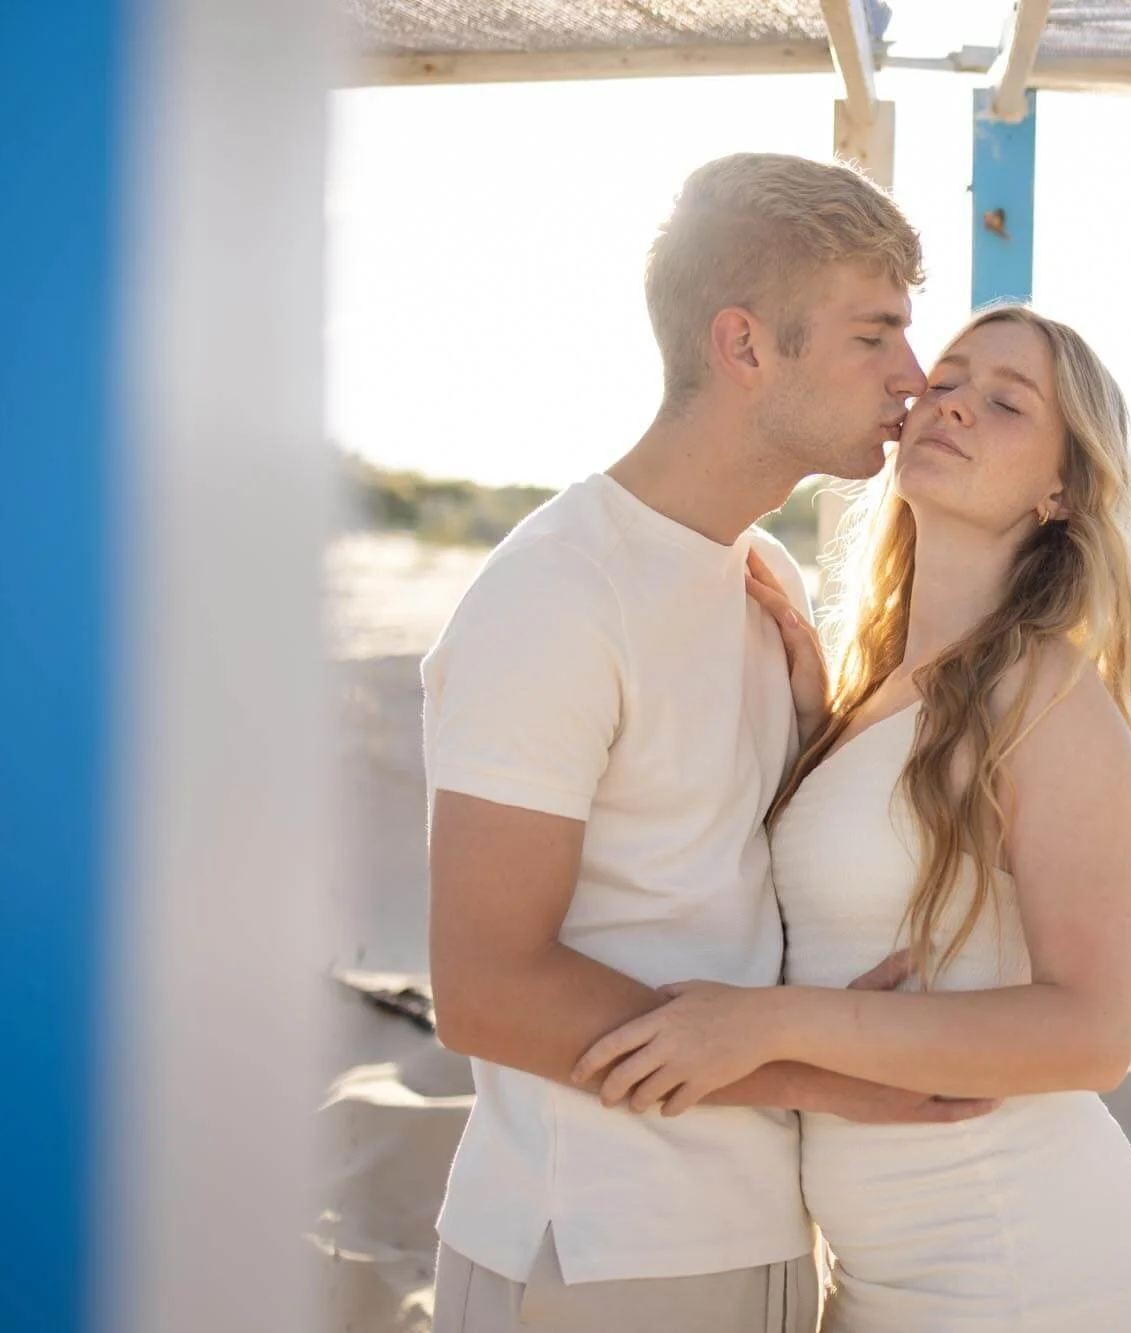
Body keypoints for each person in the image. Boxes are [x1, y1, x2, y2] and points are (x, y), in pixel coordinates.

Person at [421, 152, 995, 1333]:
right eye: (871, 334)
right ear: (743, 347)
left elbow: (716, 879)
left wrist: (815, 728)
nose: (912, 374)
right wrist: (816, 1073)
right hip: (592, 1248)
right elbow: (482, 987)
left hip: (759, 1225)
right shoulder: (552, 597)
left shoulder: (760, 576)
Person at [576, 305, 1131, 1329]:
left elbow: (1090, 1034)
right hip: (875, 1273)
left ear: (1060, 491)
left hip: (1016, 1262)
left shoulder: (1049, 700)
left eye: (1004, 401)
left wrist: (761, 1025)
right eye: (946, 377)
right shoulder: (876, 692)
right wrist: (813, 734)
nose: (952, 402)